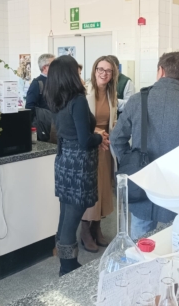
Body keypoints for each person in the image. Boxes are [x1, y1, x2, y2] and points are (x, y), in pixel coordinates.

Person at [111, 52, 179, 240]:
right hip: (178, 189)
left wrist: (131, 161)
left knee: (140, 244)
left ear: (160, 71)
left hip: (142, 182)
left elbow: (116, 139)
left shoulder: (138, 100)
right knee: (176, 243)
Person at [45, 55, 106, 276]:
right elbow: (85, 140)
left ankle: (64, 263)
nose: (80, 76)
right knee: (72, 219)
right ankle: (68, 267)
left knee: (65, 215)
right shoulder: (77, 101)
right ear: (70, 75)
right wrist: (99, 138)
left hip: (64, 160)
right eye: (77, 72)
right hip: (79, 163)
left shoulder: (57, 99)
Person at [80, 56, 118, 252]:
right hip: (91, 146)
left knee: (104, 189)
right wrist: (98, 134)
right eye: (100, 69)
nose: (104, 73)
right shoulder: (85, 92)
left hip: (106, 148)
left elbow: (113, 121)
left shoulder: (112, 94)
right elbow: (81, 123)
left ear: (113, 74)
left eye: (108, 71)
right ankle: (85, 230)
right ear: (94, 71)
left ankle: (97, 228)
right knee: (91, 189)